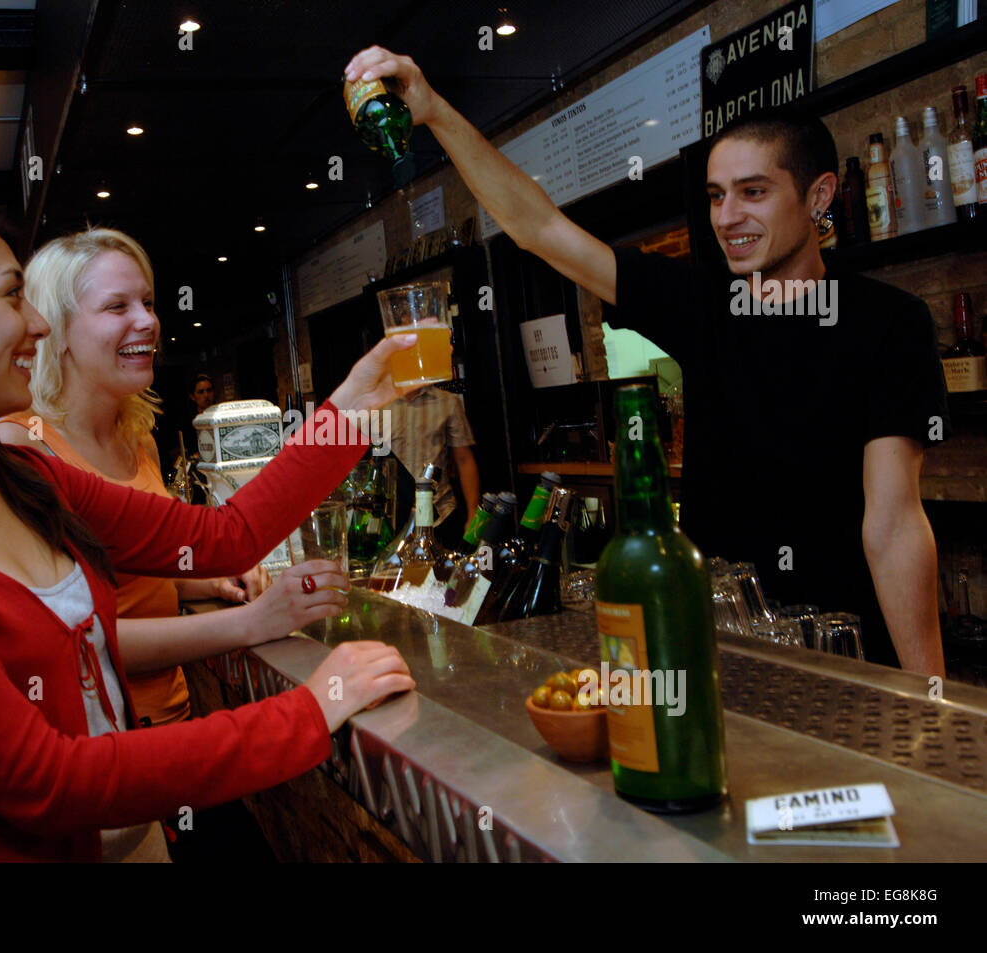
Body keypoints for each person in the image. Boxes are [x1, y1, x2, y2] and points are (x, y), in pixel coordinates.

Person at [0, 197, 419, 862]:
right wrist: (307, 712)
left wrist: (354, 405)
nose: (38, 324)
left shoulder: (22, 478)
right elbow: (45, 780)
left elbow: (224, 538)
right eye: (13, 296)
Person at [346, 47, 947, 675]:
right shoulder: (701, 301)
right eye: (716, 196)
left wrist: (930, 696)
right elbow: (538, 228)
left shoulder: (890, 322)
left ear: (820, 195)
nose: (728, 217)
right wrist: (436, 112)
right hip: (721, 645)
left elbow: (894, 522)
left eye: (754, 192)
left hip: (842, 651)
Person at [0, 227, 333, 859]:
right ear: (57, 330)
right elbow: (78, 640)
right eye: (118, 307)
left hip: (171, 723)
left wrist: (205, 581)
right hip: (105, 754)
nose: (147, 320)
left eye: (148, 302)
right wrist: (253, 621)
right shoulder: (22, 447)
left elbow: (146, 565)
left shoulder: (137, 437)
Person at [384, 386, 480, 551]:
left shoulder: (448, 402)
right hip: (391, 519)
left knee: (444, 575)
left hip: (440, 514)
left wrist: (473, 514)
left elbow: (464, 460)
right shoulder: (375, 405)